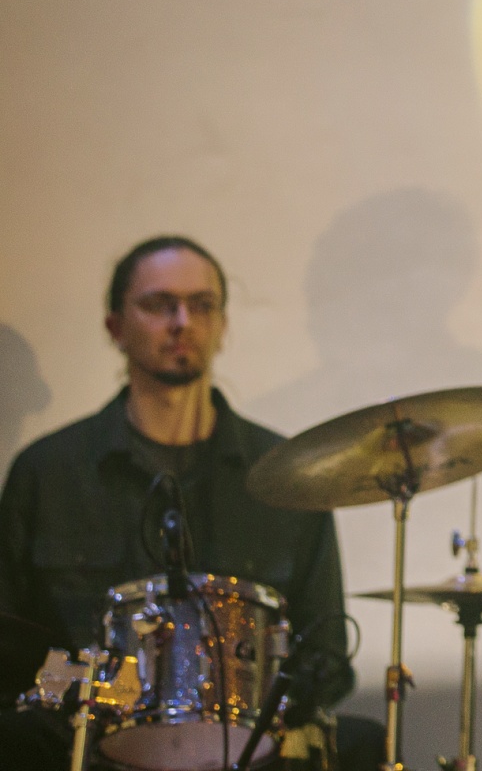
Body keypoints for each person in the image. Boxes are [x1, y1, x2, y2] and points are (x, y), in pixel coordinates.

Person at [0, 235, 365, 770]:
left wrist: (265, 713)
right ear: (114, 327)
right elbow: (10, 648)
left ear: (222, 326)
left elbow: (326, 654)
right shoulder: (47, 472)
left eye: (202, 305)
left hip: (246, 752)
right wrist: (86, 701)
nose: (182, 321)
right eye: (158, 304)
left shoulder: (286, 476)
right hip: (83, 746)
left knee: (363, 742)